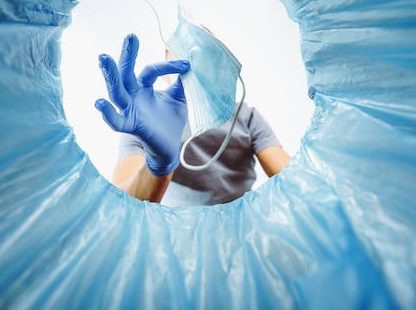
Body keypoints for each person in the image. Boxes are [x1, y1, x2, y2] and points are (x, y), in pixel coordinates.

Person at [95, 33, 291, 206]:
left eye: (202, 56)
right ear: (166, 71)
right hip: (175, 237)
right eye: (183, 55)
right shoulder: (144, 121)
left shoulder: (245, 115)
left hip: (244, 233)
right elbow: (126, 202)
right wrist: (159, 163)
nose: (193, 66)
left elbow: (291, 180)